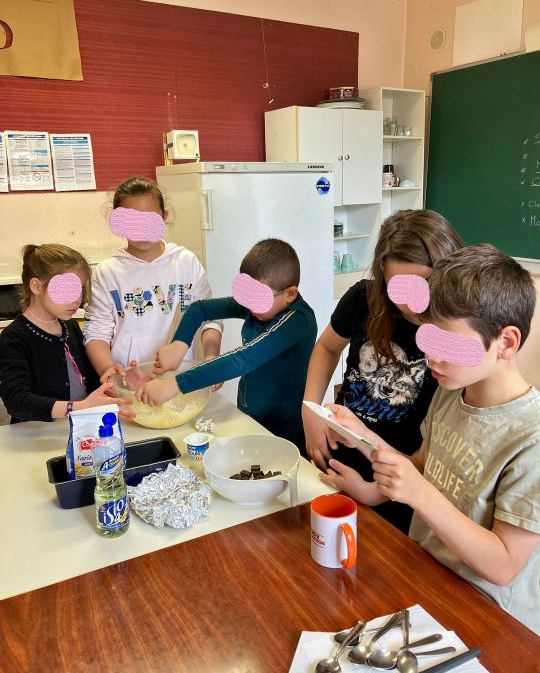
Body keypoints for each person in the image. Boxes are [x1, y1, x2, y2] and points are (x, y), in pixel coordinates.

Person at [321, 245, 540, 634]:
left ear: (506, 343)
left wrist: (419, 494)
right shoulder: (451, 393)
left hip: (487, 618)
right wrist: (364, 437)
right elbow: (422, 464)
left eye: (448, 344)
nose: (430, 357)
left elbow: (504, 565)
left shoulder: (531, 438)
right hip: (425, 577)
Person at [303, 209, 463, 533]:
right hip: (339, 456)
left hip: (398, 483)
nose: (411, 303)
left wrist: (372, 490)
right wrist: (310, 411)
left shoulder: (456, 335)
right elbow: (327, 347)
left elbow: (425, 458)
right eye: (398, 288)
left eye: (424, 286)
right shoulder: (362, 298)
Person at [138, 239, 317, 455]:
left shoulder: (297, 320)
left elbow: (243, 359)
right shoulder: (256, 307)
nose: (250, 305)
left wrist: (174, 385)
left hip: (283, 427)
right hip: (249, 414)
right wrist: (179, 344)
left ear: (290, 294)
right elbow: (200, 309)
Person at [83, 177, 223, 381]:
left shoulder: (186, 262)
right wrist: (107, 369)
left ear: (164, 217)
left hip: (178, 382)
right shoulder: (107, 272)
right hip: (129, 382)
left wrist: (212, 357)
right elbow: (97, 331)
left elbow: (209, 317)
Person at [0, 244, 129, 424]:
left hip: (78, 425)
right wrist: (76, 407)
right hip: (36, 432)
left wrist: (112, 380)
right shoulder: (13, 338)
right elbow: (17, 401)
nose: (77, 299)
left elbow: (90, 381)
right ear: (36, 286)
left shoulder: (70, 326)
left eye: (80, 289)